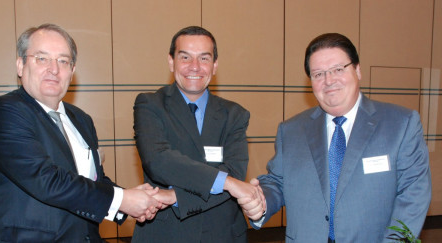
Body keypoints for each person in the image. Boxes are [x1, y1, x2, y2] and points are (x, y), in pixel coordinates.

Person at [0, 23, 161, 242]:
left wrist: (130, 203)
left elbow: (91, 179)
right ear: (20, 65)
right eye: (42, 58)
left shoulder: (81, 119)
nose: (53, 69)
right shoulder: (3, 112)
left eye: (63, 61)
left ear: (72, 72)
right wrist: (123, 199)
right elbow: (46, 180)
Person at [247, 33, 432, 242]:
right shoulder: (291, 130)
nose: (329, 80)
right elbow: (278, 182)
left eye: (338, 69)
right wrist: (261, 201)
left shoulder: (401, 124)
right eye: (318, 74)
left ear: (357, 70)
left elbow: (413, 196)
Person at [131, 26, 264, 243]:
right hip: (166, 234)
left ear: (215, 65)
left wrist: (175, 196)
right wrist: (227, 183)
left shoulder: (235, 115)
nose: (195, 67)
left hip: (223, 233)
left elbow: (234, 170)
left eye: (204, 58)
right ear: (171, 61)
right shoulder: (149, 105)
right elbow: (159, 161)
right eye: (185, 57)